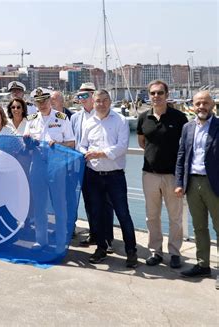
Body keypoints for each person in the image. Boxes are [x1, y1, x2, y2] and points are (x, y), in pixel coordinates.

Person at [79, 90, 138, 268]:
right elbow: (82, 145)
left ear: (110, 101)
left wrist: (100, 153)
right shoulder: (88, 123)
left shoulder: (120, 120)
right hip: (94, 175)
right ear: (93, 102)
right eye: (98, 101)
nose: (101, 104)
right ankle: (101, 248)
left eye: (105, 101)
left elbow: (122, 146)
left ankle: (131, 251)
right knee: (97, 214)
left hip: (115, 177)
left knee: (123, 214)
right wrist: (85, 153)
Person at [137, 80, 188, 268]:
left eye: (160, 93)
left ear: (167, 95)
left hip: (173, 175)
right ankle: (155, 252)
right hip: (149, 174)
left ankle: (174, 253)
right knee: (152, 216)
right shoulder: (143, 118)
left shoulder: (179, 117)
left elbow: (185, 145)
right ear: (149, 96)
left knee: (175, 217)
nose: (156, 96)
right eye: (152, 93)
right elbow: (142, 142)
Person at [24, 87, 75, 251]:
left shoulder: (61, 118)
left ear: (50, 101)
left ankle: (61, 242)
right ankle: (41, 240)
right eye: (38, 101)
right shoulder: (31, 119)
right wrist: (27, 143)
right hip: (37, 163)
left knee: (59, 205)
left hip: (56, 165)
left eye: (45, 100)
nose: (42, 104)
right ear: (35, 103)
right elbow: (25, 142)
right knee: (39, 205)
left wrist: (58, 145)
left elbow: (72, 143)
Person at [175, 91, 219, 280]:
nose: (201, 106)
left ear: (212, 105)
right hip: (192, 182)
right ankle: (203, 265)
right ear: (193, 105)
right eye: (198, 103)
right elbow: (181, 156)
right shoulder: (187, 127)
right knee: (199, 227)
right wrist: (179, 183)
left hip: (214, 184)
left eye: (205, 103)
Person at [71, 82, 114, 251]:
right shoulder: (75, 117)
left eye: (85, 95)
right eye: (79, 96)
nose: (81, 99)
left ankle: (108, 238)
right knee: (89, 202)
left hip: (103, 166)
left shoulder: (104, 115)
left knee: (106, 204)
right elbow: (74, 141)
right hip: (83, 167)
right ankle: (95, 233)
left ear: (93, 96)